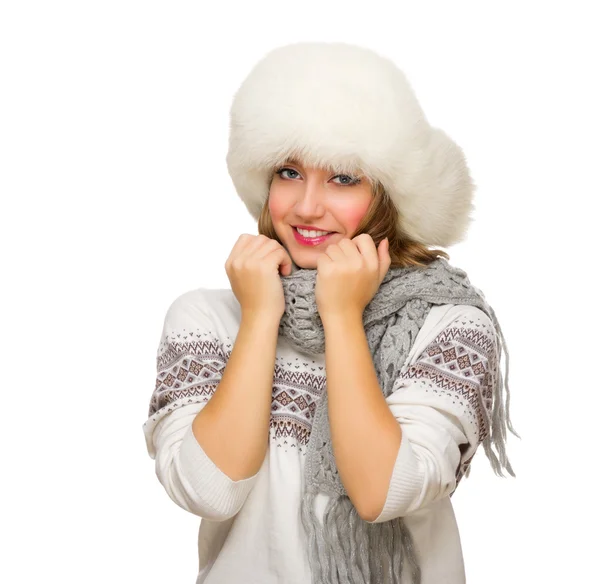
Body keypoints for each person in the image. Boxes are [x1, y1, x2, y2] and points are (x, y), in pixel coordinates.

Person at [142, 42, 519, 584]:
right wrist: (258, 319)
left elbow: (382, 493)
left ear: (389, 195)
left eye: (343, 178)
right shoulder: (207, 317)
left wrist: (343, 318)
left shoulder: (447, 323)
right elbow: (211, 492)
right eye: (288, 172)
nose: (305, 206)